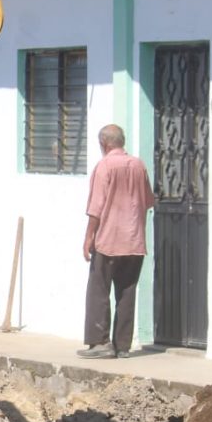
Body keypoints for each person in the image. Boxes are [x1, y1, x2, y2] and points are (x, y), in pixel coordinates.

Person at [76, 124, 154, 359]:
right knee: (127, 292)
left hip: (109, 240)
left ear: (104, 144)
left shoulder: (105, 166)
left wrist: (88, 237)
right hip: (134, 240)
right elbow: (149, 201)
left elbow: (96, 208)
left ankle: (100, 343)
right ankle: (123, 346)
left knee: (99, 289)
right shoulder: (139, 165)